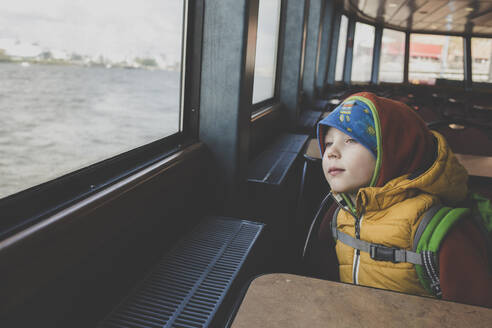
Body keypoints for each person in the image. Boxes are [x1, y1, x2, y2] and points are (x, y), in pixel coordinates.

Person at [315, 91, 492, 307]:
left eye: (351, 140)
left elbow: (474, 315)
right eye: (328, 141)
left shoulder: (437, 230)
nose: (331, 152)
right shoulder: (340, 214)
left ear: (393, 151)